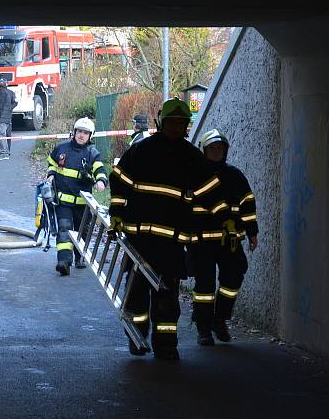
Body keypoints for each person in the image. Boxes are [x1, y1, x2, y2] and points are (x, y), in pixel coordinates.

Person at [108, 98, 226, 361]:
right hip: (139, 241)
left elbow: (210, 193)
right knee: (136, 295)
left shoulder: (192, 158)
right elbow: (119, 182)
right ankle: (136, 337)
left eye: (180, 123)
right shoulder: (142, 150)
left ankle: (166, 345)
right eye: (171, 122)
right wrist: (116, 214)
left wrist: (226, 218)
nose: (175, 127)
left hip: (171, 245)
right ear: (161, 122)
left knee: (167, 299)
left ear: (186, 126)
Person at [189, 129, 259, 346]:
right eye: (213, 148)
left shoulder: (235, 175)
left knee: (234, 276)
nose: (217, 151)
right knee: (204, 287)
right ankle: (203, 328)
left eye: (220, 148)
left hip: (229, 240)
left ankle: (219, 319)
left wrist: (252, 232)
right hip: (201, 241)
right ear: (204, 150)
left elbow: (248, 204)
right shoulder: (195, 176)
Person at [46, 118, 107, 276]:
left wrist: (100, 181)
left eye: (85, 133)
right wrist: (51, 174)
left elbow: (100, 170)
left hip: (82, 203)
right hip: (63, 202)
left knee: (82, 231)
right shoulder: (61, 148)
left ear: (90, 136)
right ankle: (64, 262)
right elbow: (51, 163)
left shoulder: (92, 153)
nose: (81, 135)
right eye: (79, 131)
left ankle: (80, 257)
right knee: (64, 229)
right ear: (74, 132)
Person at [0, 79, 17, 160]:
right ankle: (5, 152)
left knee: (1, 135)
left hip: (1, 118)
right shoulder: (7, 93)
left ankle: (4, 153)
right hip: (6, 117)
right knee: (3, 135)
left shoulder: (1, 93)